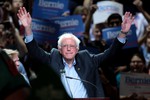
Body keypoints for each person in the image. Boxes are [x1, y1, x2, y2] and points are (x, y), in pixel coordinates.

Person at [17, 7, 134, 98]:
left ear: (77, 49)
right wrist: (27, 28)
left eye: (72, 46)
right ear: (59, 49)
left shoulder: (88, 58)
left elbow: (110, 53)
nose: (68, 49)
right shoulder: (52, 57)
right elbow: (34, 51)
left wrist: (123, 33)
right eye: (65, 46)